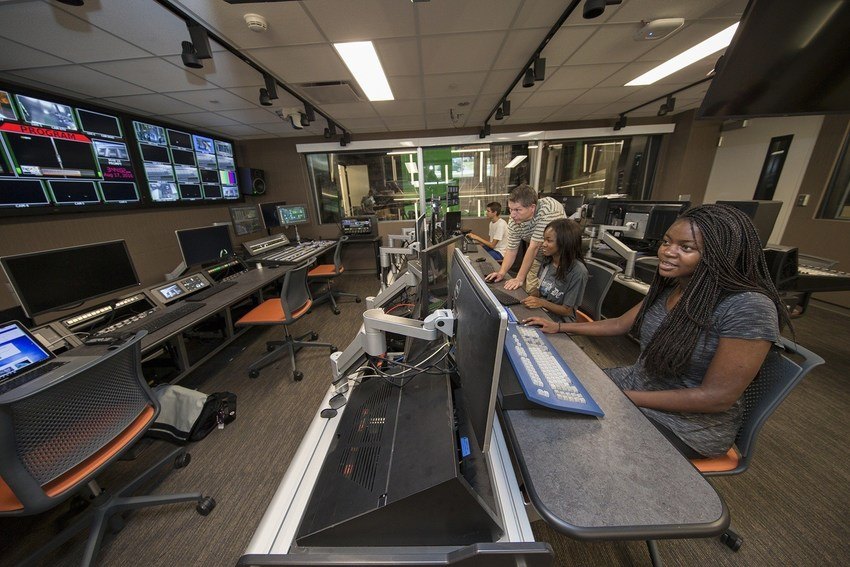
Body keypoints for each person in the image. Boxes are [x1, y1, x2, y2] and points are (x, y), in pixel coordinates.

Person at [523, 204, 792, 459]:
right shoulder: (675, 285)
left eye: (686, 247)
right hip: (636, 386)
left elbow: (716, 398)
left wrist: (617, 397)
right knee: (547, 400)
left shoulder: (749, 307)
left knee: (563, 437)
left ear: (720, 254)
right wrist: (558, 326)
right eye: (666, 242)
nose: (667, 252)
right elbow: (619, 324)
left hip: (685, 426)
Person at [485, 184, 565, 293]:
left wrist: (519, 278)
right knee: (531, 291)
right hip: (539, 256)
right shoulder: (514, 219)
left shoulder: (548, 211)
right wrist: (501, 273)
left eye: (518, 210)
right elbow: (511, 249)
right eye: (510, 209)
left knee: (552, 293)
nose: (512, 215)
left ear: (532, 207)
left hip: (560, 258)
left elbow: (534, 247)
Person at [521, 218, 588, 322]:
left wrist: (541, 302)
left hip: (560, 322)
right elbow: (540, 289)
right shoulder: (547, 261)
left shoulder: (578, 271)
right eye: (544, 239)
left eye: (549, 240)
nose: (544, 244)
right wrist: (532, 297)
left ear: (564, 242)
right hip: (543, 311)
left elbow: (567, 310)